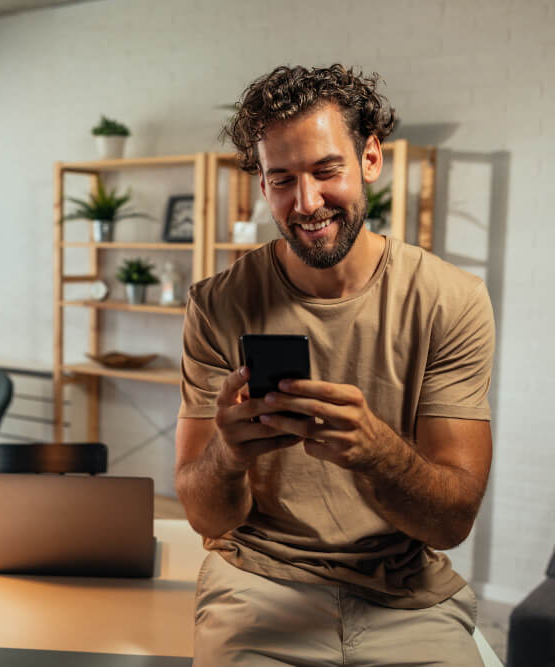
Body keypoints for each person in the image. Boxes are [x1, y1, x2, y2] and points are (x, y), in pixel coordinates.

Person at [175, 64, 495, 666]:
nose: (307, 203)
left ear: (370, 158)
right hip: (258, 583)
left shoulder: (451, 301)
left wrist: (379, 451)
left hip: (405, 595)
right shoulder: (217, 304)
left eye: (327, 171)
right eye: (282, 180)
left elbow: (452, 522)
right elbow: (204, 516)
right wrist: (228, 453)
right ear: (262, 184)